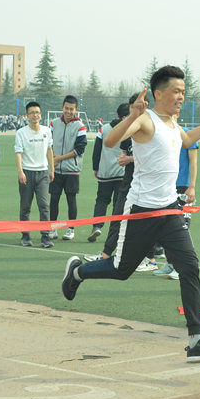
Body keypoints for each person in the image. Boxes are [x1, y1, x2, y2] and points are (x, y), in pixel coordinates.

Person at [62, 65, 200, 363]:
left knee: (190, 267)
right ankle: (78, 272)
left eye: (183, 91)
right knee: (121, 270)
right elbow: (110, 141)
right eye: (176, 91)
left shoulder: (172, 123)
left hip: (169, 210)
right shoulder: (145, 119)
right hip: (141, 211)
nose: (181, 96)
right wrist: (132, 115)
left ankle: (195, 341)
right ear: (159, 93)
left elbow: (187, 140)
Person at [83, 95, 158, 272]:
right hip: (129, 182)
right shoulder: (129, 129)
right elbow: (119, 148)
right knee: (117, 217)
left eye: (140, 106)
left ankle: (151, 258)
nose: (136, 110)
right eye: (133, 107)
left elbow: (154, 158)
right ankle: (106, 255)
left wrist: (130, 159)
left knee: (148, 222)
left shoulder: (153, 129)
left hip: (148, 185)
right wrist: (123, 158)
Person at [154, 138, 198, 280]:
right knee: (166, 226)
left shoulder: (188, 137)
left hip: (183, 187)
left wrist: (191, 186)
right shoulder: (165, 134)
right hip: (167, 186)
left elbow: (193, 162)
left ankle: (182, 268)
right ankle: (171, 264)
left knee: (181, 227)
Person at [15, 101, 55, 248]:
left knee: (44, 205)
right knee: (25, 206)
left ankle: (46, 237)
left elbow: (49, 150)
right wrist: (20, 172)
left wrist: (52, 169)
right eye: (32, 113)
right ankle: (25, 236)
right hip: (27, 172)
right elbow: (18, 153)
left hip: (42, 173)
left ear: (41, 114)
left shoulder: (47, 131)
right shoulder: (21, 132)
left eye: (37, 112)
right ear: (27, 115)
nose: (35, 115)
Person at [88, 103, 129, 243]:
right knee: (118, 204)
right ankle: (115, 232)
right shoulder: (130, 128)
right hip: (122, 172)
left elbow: (97, 150)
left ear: (117, 115)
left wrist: (95, 168)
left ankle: (97, 226)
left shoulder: (104, 129)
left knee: (101, 200)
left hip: (105, 172)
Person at [49, 95, 86, 241]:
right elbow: (48, 144)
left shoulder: (80, 126)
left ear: (76, 110)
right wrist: (52, 159)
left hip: (72, 170)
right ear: (62, 108)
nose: (68, 111)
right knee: (54, 199)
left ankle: (71, 229)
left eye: (71, 109)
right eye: (66, 108)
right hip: (56, 170)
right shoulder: (54, 124)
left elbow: (80, 149)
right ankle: (53, 228)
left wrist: (59, 158)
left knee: (71, 200)